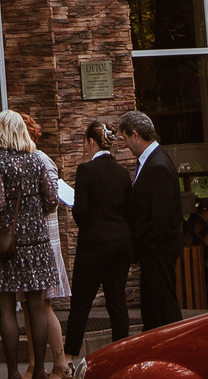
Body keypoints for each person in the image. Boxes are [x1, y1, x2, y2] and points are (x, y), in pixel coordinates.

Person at [0, 110, 72, 379]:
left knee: (6, 305)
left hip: (5, 245)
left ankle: (13, 372)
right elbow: (50, 201)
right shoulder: (37, 159)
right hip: (36, 243)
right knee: (36, 305)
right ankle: (40, 371)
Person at [66, 118, 134, 354]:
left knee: (81, 305)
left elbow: (81, 211)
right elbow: (129, 209)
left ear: (90, 142)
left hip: (94, 245)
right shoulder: (123, 172)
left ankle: (69, 358)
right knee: (117, 302)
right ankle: (120, 354)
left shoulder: (86, 170)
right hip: (121, 243)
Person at [117, 110, 183, 330]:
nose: (125, 145)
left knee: (163, 306)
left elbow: (160, 218)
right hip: (153, 250)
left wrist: (145, 246)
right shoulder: (151, 162)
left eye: (125, 138)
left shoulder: (158, 166)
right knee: (153, 305)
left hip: (158, 250)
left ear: (135, 135)